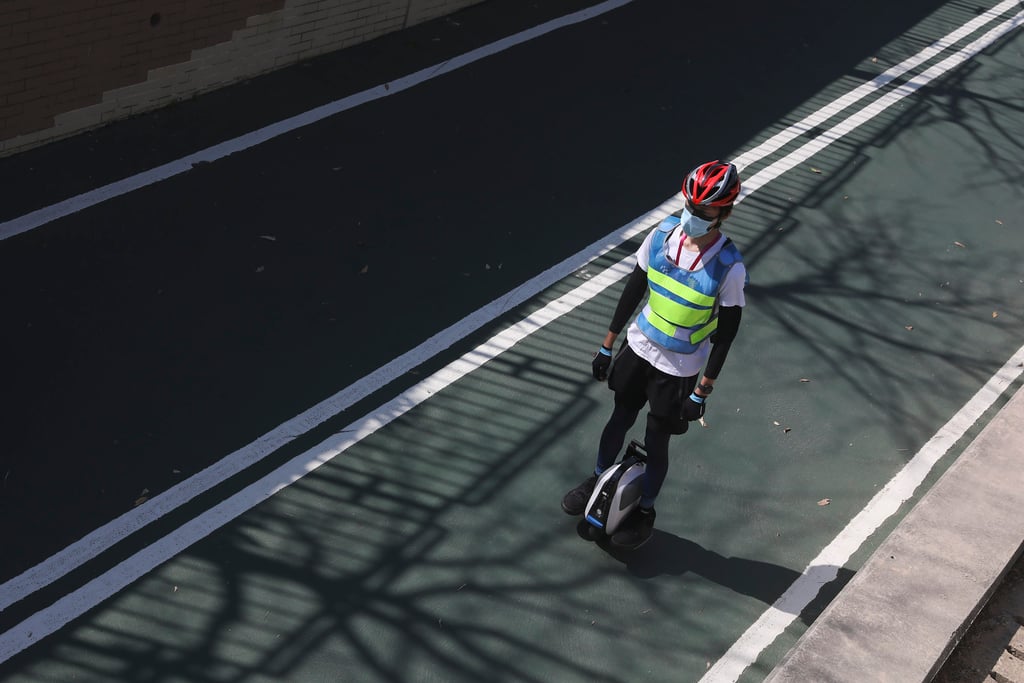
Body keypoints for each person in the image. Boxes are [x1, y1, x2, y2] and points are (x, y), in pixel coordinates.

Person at [561, 160, 748, 549]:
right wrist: (606, 344)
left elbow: (726, 335)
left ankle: (645, 509)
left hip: (679, 368)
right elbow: (634, 289)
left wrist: (703, 391)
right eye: (690, 206)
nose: (693, 215)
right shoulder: (662, 235)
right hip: (639, 347)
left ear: (724, 212)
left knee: (656, 440)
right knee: (619, 417)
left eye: (705, 210)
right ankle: (597, 477)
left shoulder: (729, 268)